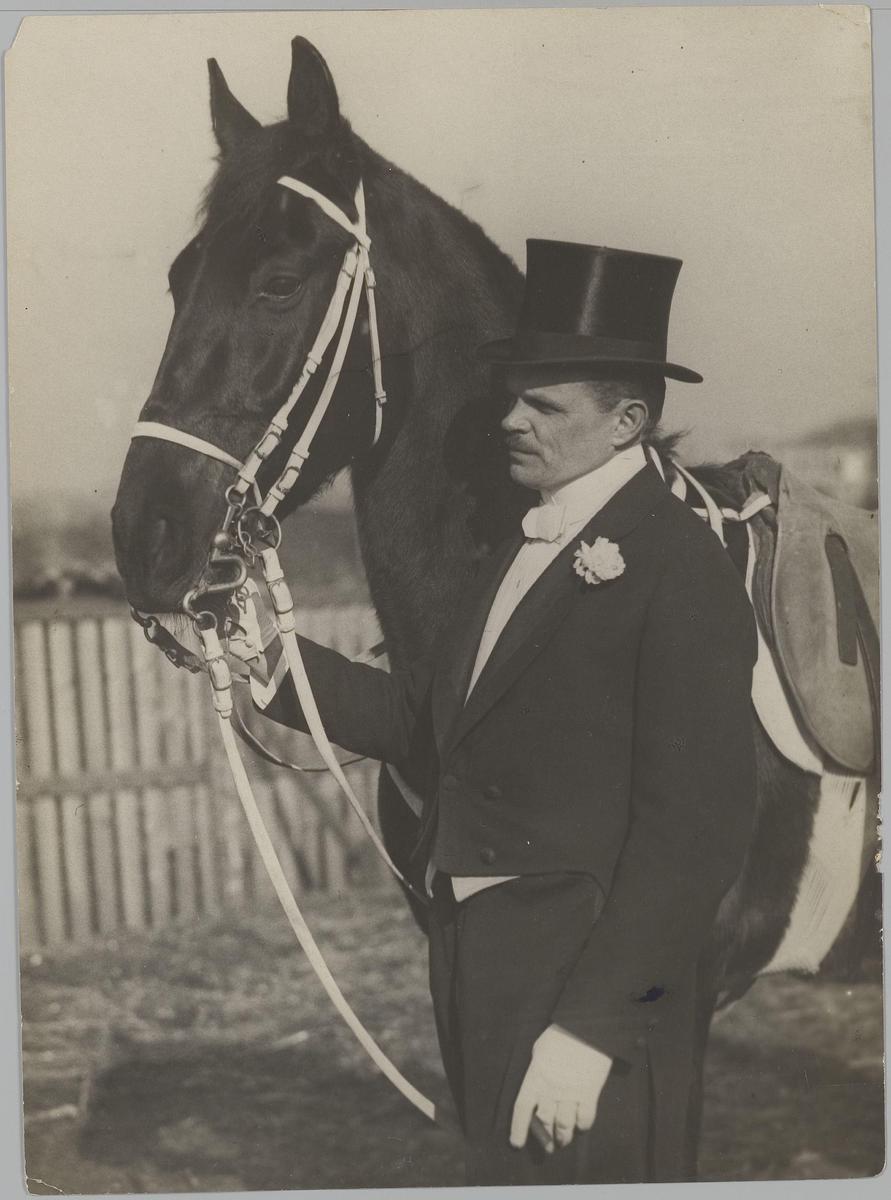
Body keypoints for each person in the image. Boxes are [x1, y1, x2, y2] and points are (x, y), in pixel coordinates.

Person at [243, 241, 757, 1184]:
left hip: (588, 989)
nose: (510, 419)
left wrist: (591, 1029)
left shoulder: (680, 568)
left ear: (627, 422)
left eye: (543, 406)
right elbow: (427, 723)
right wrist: (263, 656)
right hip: (482, 963)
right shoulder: (520, 547)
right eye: (513, 397)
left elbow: (698, 832)